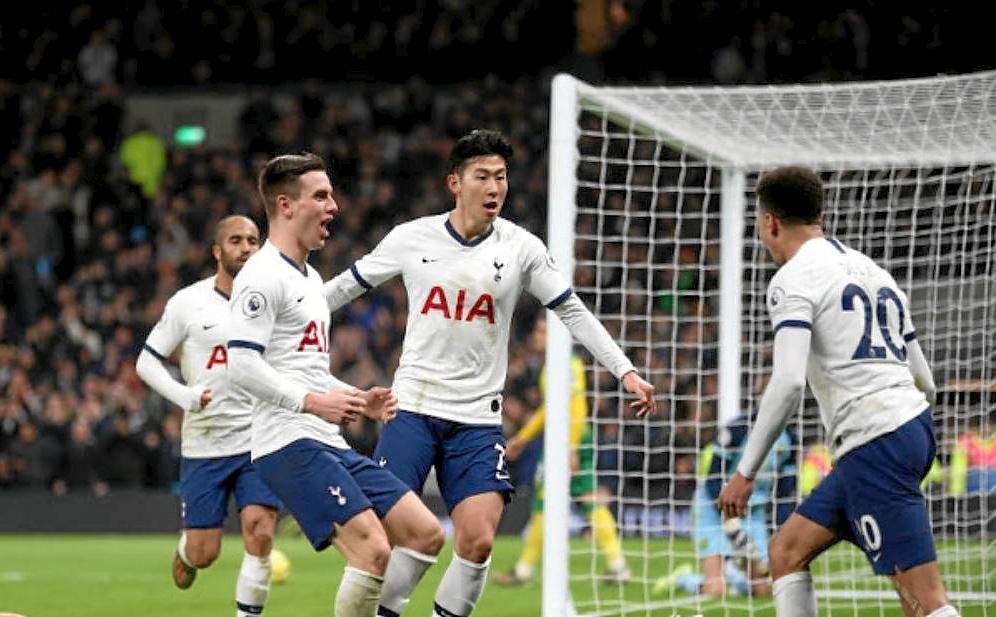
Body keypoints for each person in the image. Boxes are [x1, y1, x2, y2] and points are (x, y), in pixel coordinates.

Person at [323, 128, 657, 617]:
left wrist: (624, 370)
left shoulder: (521, 247)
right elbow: (341, 290)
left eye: (501, 176)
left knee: (478, 542)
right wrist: (287, 313)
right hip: (411, 409)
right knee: (401, 536)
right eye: (482, 176)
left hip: (477, 419)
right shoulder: (412, 237)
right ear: (455, 183)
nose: (494, 187)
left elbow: (573, 311)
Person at [717, 166, 960, 617]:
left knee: (924, 601)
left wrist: (745, 472)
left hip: (876, 440)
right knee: (786, 552)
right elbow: (924, 380)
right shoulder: (876, 273)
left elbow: (788, 382)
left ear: (769, 222)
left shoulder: (792, 280)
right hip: (904, 430)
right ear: (820, 215)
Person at [225, 153, 445, 617]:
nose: (334, 206)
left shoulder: (307, 279)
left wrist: (357, 399)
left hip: (325, 439)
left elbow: (304, 367)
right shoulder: (261, 276)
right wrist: (310, 402)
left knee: (425, 533)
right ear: (285, 205)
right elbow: (240, 364)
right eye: (321, 196)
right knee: (373, 551)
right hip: (286, 442)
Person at [136, 214, 281, 616]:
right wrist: (183, 396)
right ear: (217, 251)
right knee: (204, 553)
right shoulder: (187, 302)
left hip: (260, 438)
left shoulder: (275, 300)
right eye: (236, 240)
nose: (246, 247)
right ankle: (188, 549)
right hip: (206, 442)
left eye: (253, 240)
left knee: (260, 530)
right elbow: (146, 363)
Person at [494, 316, 630, 586]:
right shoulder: (554, 365)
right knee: (584, 500)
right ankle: (617, 565)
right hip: (565, 439)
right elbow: (550, 408)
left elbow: (577, 406)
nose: (536, 335)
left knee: (548, 502)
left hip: (568, 440)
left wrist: (570, 447)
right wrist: (523, 437)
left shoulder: (567, 363)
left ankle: (524, 570)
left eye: (542, 330)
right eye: (537, 329)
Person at [655, 413, 796, 597]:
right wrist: (732, 525)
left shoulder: (789, 438)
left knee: (764, 590)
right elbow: (713, 482)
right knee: (716, 591)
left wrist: (779, 533)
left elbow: (784, 492)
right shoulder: (737, 429)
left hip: (753, 513)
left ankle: (733, 578)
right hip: (714, 508)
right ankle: (684, 579)